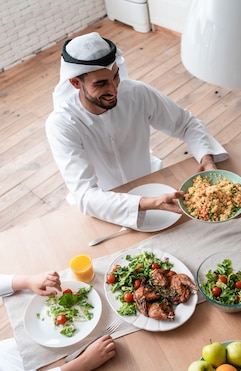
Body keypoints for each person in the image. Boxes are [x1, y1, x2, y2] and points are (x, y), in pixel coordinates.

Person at [45, 32, 229, 229]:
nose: (114, 90)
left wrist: (206, 158)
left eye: (115, 76)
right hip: (104, 209)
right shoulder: (62, 124)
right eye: (100, 83)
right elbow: (85, 195)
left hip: (152, 183)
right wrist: (150, 203)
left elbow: (186, 124)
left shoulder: (137, 94)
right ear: (75, 83)